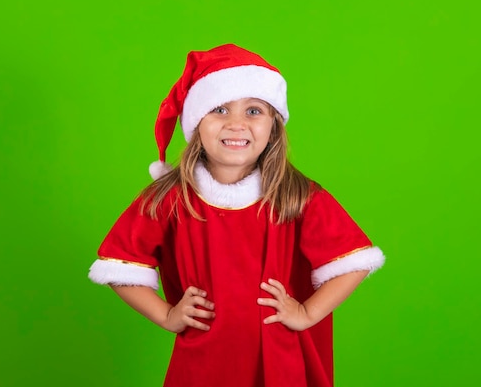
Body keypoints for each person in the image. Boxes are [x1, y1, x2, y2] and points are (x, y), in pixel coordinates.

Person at [88, 44, 385, 387]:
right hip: (203, 363)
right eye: (219, 109)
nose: (237, 124)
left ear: (274, 124)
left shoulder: (299, 197)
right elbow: (119, 264)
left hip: (280, 359)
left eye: (254, 111)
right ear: (197, 123)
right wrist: (167, 315)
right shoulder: (170, 199)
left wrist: (308, 313)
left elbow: (354, 261)